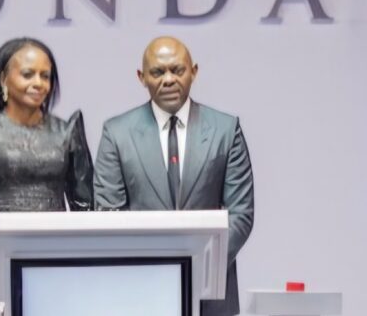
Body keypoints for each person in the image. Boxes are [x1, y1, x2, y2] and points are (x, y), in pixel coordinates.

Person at [94, 36, 254, 316]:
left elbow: (240, 215)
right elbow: (109, 214)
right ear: (141, 77)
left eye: (177, 70)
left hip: (211, 296)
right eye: (158, 72)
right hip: (140, 291)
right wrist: (162, 271)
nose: (168, 79)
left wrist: (197, 268)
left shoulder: (226, 130)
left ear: (194, 71)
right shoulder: (116, 133)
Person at [0, 37, 94, 305]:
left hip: (56, 264)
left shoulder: (66, 132)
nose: (38, 83)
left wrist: (70, 246)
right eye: (28, 74)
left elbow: (87, 208)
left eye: (45, 76)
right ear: (3, 79)